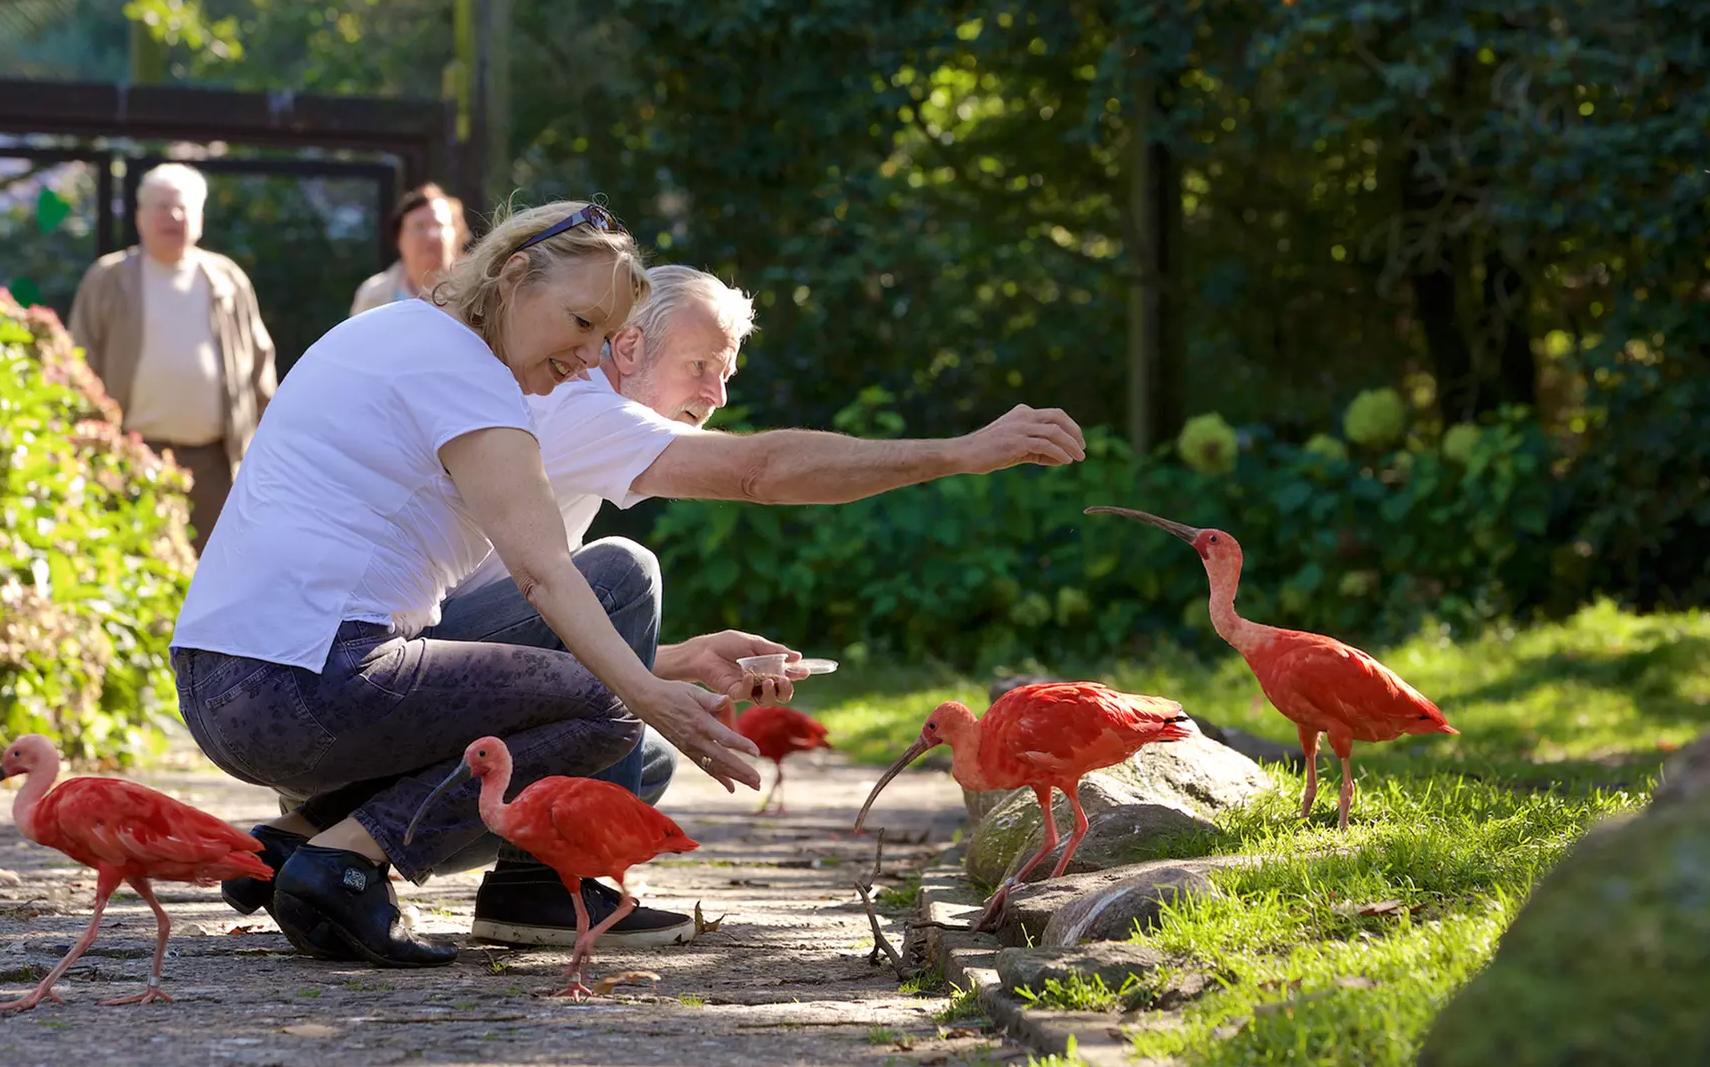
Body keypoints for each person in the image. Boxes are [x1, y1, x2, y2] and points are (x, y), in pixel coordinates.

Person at [169, 200, 776, 968]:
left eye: (601, 335)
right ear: (514, 276)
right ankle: (348, 861)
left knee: (629, 738)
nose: (588, 357)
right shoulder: (467, 371)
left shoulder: (390, 331)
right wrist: (646, 695)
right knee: (609, 707)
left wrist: (670, 667)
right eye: (581, 323)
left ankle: (302, 840)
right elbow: (544, 577)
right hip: (306, 689)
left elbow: (515, 654)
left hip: (219, 685)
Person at [433, 263, 1086, 946]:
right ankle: (537, 890)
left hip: (443, 661)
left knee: (647, 759)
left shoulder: (573, 413)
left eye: (725, 376)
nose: (715, 395)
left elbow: (536, 634)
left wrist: (682, 657)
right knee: (625, 571)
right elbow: (760, 471)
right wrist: (960, 452)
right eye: (700, 367)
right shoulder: (582, 408)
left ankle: (514, 884)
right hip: (409, 673)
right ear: (626, 347)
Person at [67, 163, 277, 551]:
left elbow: (260, 369)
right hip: (132, 455)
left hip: (216, 465)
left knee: (215, 569)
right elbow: (77, 364)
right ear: (140, 217)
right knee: (135, 563)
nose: (173, 216)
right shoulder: (109, 278)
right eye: (162, 207)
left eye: (183, 207)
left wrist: (266, 445)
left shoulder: (227, 280)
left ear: (200, 218)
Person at [349, 183, 470, 316]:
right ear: (399, 238)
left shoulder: (474, 292)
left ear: (457, 234)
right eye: (419, 226)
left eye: (440, 225)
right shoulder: (373, 295)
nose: (431, 235)